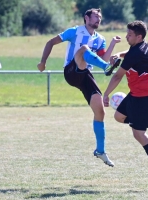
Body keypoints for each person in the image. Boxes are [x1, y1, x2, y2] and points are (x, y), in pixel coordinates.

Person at [37, 8, 122, 167]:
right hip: (71, 72)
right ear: (86, 17)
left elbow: (102, 58)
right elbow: (50, 42)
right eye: (95, 16)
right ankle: (106, 69)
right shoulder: (75, 31)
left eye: (100, 17)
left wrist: (112, 44)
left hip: (85, 75)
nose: (98, 19)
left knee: (100, 111)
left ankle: (100, 151)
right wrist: (43, 62)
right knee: (83, 50)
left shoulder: (100, 39)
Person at [103, 20, 148, 185]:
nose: (127, 36)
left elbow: (117, 76)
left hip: (143, 96)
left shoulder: (135, 53)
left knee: (138, 134)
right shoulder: (143, 45)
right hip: (136, 93)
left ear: (138, 36)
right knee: (119, 116)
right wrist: (120, 54)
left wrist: (106, 94)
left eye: (130, 35)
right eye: (127, 33)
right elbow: (130, 51)